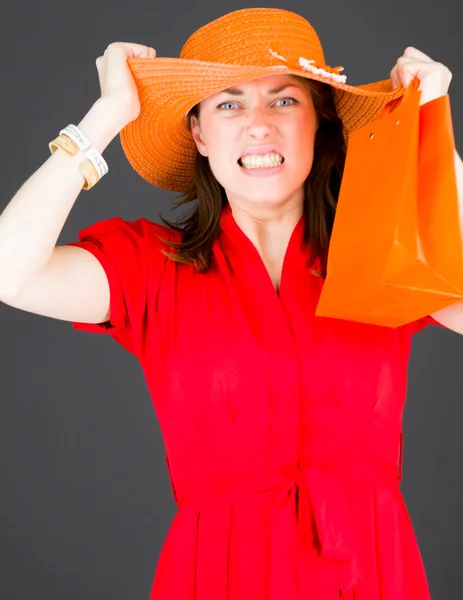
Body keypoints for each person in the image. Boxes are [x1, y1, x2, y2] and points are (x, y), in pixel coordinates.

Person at [0, 7, 454, 600]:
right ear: (199, 135)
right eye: (229, 104)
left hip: (371, 569)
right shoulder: (150, 267)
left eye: (284, 100)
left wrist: (431, 130)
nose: (259, 125)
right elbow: (11, 272)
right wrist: (106, 115)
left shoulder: (382, 252)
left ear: (319, 121)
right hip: (217, 573)